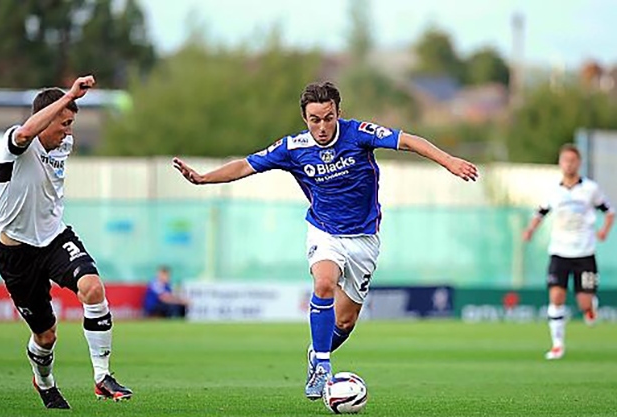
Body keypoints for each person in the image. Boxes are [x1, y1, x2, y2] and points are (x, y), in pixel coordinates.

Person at [172, 81, 478, 399]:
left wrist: (449, 161)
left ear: (338, 113)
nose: (321, 126)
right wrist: (203, 178)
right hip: (324, 231)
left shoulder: (359, 133)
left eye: (328, 117)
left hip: (364, 237)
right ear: (305, 118)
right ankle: (322, 366)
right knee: (323, 284)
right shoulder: (292, 147)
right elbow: (246, 165)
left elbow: (408, 140)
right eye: (314, 119)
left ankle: (318, 350)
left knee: (345, 322)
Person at [0, 75, 132, 409]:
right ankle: (44, 383)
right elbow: (27, 132)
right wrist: (70, 94)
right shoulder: (15, 142)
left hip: (55, 238)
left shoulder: (63, 144)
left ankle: (102, 376)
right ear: (46, 118)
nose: (68, 131)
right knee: (46, 335)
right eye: (64, 123)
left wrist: (68, 107)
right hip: (16, 253)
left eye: (72, 123)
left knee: (93, 289)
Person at [523, 143, 614, 360]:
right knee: (556, 296)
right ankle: (557, 345)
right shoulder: (554, 191)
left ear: (578, 163)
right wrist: (530, 230)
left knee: (583, 302)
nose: (569, 164)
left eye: (573, 160)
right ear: (560, 163)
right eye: (565, 160)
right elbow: (541, 212)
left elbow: (609, 211)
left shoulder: (590, 189)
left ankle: (590, 307)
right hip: (559, 252)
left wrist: (603, 231)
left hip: (584, 253)